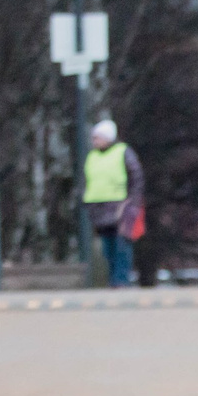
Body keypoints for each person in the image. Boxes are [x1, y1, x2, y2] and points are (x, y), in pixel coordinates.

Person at [82, 118, 144, 288]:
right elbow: (88, 181)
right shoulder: (92, 157)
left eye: (98, 137)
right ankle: (113, 280)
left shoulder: (123, 152)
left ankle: (121, 281)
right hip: (99, 209)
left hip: (121, 208)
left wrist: (133, 202)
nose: (95, 141)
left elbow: (136, 176)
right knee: (108, 249)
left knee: (122, 246)